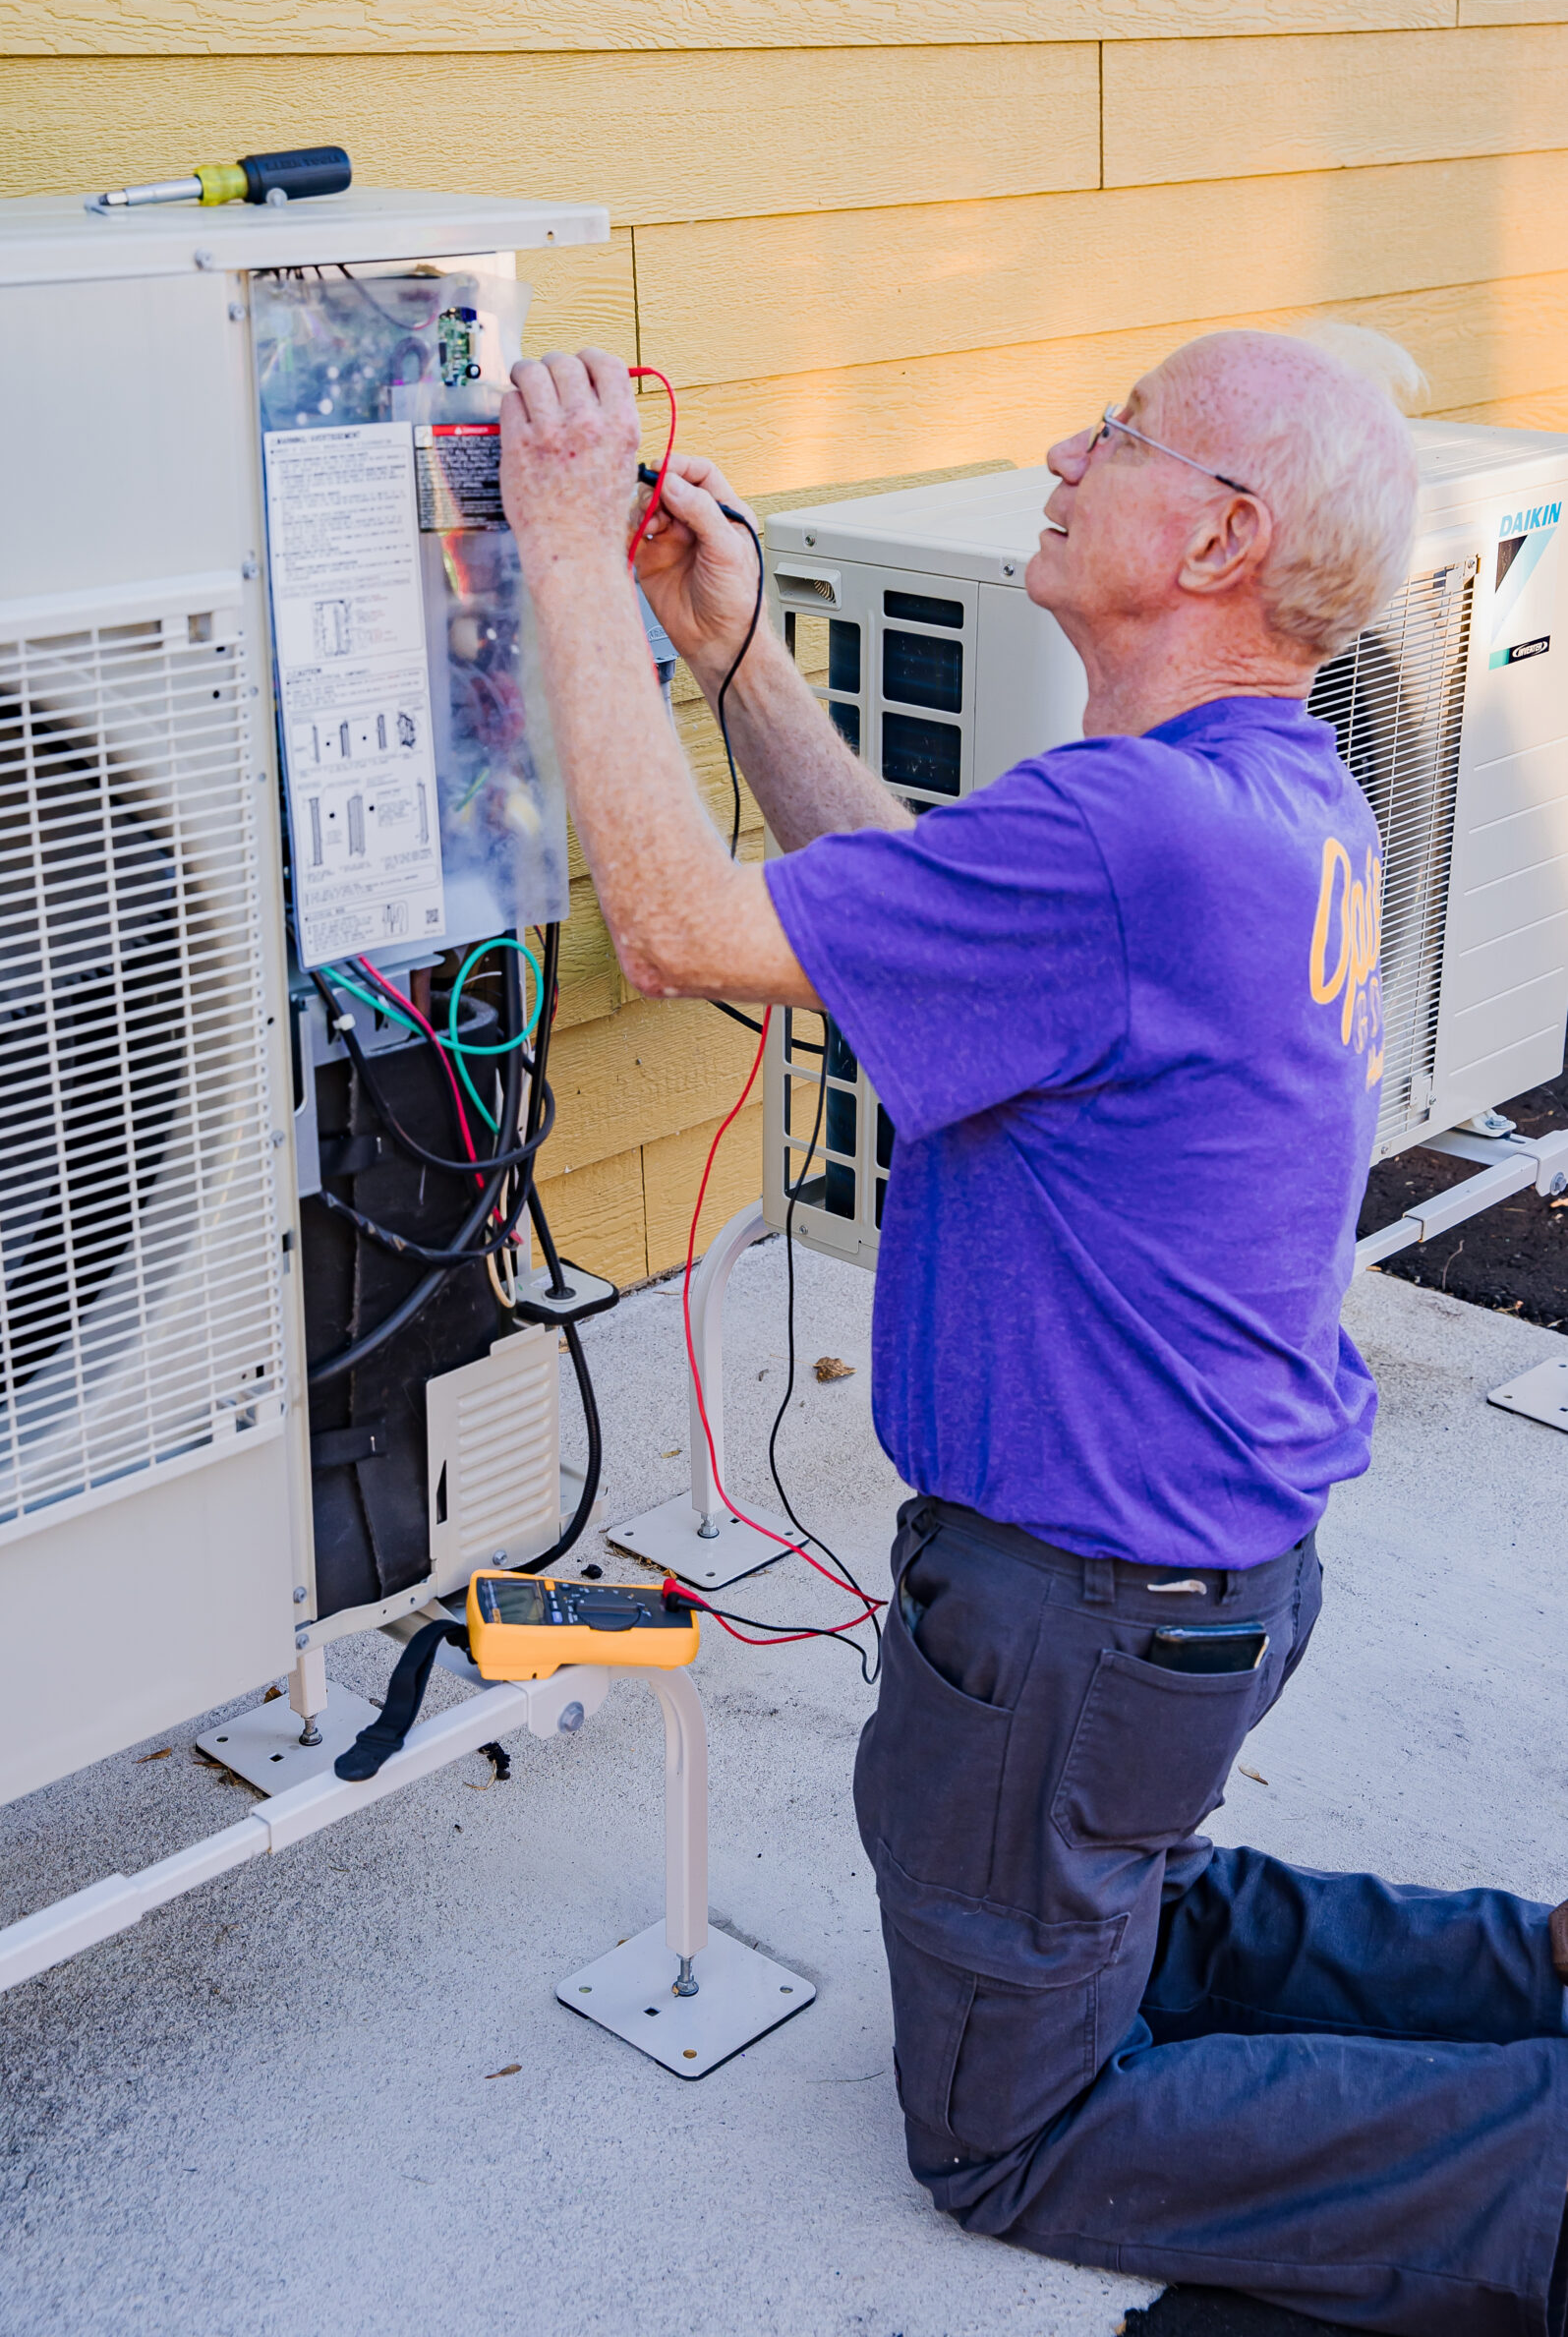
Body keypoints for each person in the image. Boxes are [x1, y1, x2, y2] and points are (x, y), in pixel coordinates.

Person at [497, 332, 1568, 2335]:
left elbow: (670, 924)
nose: (1061, 452)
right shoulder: (1248, 792)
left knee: (1013, 2124)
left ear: (1219, 535)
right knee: (1101, 1886)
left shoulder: (1132, 836)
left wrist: (561, 554)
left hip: (1090, 1606)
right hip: (1185, 1589)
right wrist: (725, 649)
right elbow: (913, 907)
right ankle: (1536, 1975)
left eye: (1120, 434)